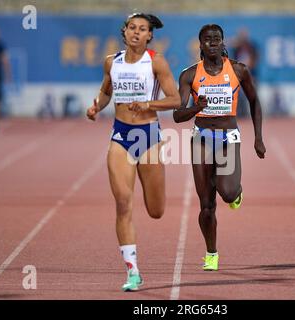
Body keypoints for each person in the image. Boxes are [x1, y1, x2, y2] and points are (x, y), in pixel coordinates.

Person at [86, 13, 181, 291]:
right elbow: (106, 91)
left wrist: (149, 104)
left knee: (156, 210)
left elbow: (175, 100)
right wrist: (96, 108)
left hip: (148, 136)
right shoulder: (111, 62)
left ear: (150, 35)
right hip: (120, 135)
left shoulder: (156, 61)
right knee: (123, 203)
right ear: (124, 32)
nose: (136, 33)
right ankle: (132, 271)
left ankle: (135, 264)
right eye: (132, 28)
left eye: (142, 29)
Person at [173, 24, 265, 271]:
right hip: (201, 139)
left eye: (217, 38)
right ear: (200, 44)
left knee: (227, 193)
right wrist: (196, 107)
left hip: (227, 139)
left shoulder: (238, 70)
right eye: (207, 39)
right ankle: (211, 253)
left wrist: (258, 137)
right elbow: (177, 115)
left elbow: (255, 101)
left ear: (224, 42)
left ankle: (235, 192)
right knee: (206, 205)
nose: (213, 42)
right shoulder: (189, 75)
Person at [230, 28, 260, 118]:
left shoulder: (251, 46)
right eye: (241, 36)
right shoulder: (236, 48)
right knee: (238, 95)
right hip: (239, 75)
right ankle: (240, 113)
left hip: (251, 75)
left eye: (244, 36)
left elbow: (255, 60)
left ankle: (254, 113)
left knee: (252, 95)